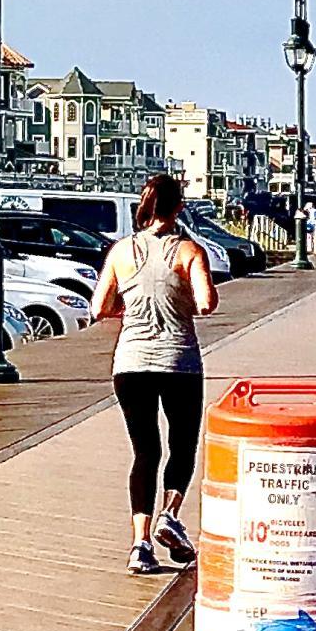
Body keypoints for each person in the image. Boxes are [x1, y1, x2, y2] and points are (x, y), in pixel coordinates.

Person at [92, 171, 218, 577]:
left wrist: (128, 309)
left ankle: (140, 544)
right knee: (182, 446)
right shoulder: (189, 251)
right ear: (179, 206)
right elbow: (206, 303)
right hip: (179, 362)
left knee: (145, 451)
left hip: (130, 363)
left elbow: (98, 308)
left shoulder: (120, 251)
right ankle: (170, 514)